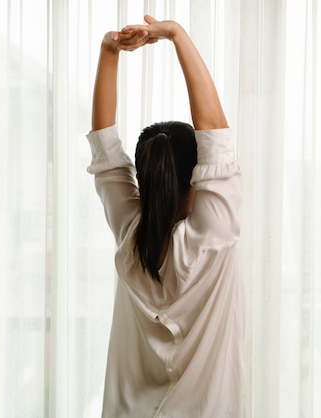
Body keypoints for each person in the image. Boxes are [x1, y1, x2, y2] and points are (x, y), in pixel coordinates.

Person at [86, 15, 244, 417]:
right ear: (196, 176)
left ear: (141, 176)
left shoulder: (129, 233)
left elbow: (105, 150)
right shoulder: (212, 233)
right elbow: (215, 135)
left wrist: (110, 51)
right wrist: (175, 34)